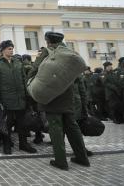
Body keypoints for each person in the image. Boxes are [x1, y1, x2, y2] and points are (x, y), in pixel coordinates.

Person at [29, 31, 89, 170]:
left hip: (51, 96)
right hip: (67, 95)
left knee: (56, 128)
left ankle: (61, 161)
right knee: (72, 127)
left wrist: (30, 80)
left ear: (48, 41)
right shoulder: (70, 53)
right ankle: (82, 157)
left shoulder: (47, 52)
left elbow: (35, 69)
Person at [0, 40, 37, 154]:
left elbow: (24, 80)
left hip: (20, 98)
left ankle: (23, 144)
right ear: (3, 50)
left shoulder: (18, 63)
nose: (11, 50)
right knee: (7, 123)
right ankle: (7, 144)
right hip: (6, 99)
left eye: (12, 48)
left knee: (22, 123)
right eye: (8, 49)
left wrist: (27, 95)